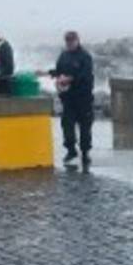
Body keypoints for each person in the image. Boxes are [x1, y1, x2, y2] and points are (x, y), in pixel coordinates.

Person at [48, 31, 95, 170]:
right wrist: (52, 73)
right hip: (68, 98)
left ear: (77, 40)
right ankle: (71, 150)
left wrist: (71, 79)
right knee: (67, 125)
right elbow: (59, 71)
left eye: (72, 41)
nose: (70, 43)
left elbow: (86, 75)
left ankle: (85, 153)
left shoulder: (85, 56)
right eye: (67, 41)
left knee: (85, 127)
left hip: (83, 98)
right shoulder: (63, 56)